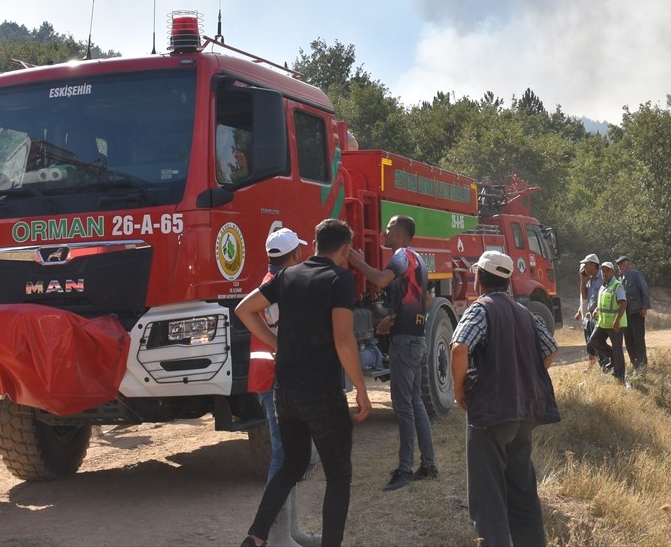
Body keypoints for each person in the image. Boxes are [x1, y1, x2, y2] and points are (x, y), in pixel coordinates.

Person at [237, 219, 371, 547]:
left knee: (291, 466)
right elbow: (343, 341)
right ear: (345, 250)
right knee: (338, 476)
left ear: (312, 244)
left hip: (286, 392)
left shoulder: (286, 276)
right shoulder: (340, 279)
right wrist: (363, 391)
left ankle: (255, 537)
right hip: (321, 393)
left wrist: (276, 343)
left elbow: (244, 309)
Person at [451, 250, 561, 547]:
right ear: (508, 280)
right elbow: (550, 349)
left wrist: (460, 390)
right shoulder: (525, 312)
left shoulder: (480, 308)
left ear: (479, 278)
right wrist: (523, 375)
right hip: (524, 414)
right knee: (522, 491)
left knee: (489, 499)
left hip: (491, 414)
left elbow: (459, 348)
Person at [348, 215, 438, 491]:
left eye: (387, 229)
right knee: (415, 402)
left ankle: (405, 469)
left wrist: (357, 262)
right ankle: (428, 464)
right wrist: (395, 318)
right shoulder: (419, 259)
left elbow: (381, 279)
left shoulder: (400, 255)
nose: (383, 232)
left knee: (403, 406)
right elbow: (423, 299)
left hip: (405, 343)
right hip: (416, 338)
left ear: (399, 234)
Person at [244, 227, 313, 547]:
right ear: (295, 255)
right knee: (286, 456)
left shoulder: (270, 285)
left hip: (271, 378)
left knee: (292, 454)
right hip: (275, 380)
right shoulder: (277, 288)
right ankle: (277, 536)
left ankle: (291, 531)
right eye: (300, 252)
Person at [588, 261, 628, 384]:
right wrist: (596, 310)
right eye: (603, 271)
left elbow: (623, 303)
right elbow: (602, 304)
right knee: (594, 341)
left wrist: (616, 321)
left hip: (615, 325)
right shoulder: (602, 286)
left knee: (617, 349)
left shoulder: (617, 286)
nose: (604, 273)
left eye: (607, 271)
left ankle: (619, 375)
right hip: (602, 323)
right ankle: (614, 359)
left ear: (612, 271)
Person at [616, 256, 651, 371]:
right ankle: (634, 363)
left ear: (627, 264)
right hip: (625, 314)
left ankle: (642, 364)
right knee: (628, 339)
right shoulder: (620, 279)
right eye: (618, 265)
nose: (619, 267)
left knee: (638, 339)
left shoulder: (635, 275)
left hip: (636, 312)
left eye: (621, 264)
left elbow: (645, 290)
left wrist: (644, 307)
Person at [574, 254, 603, 365]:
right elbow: (585, 297)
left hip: (599, 315)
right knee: (590, 341)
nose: (584, 267)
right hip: (590, 316)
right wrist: (583, 281)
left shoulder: (602, 278)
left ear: (593, 264)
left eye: (586, 264)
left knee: (596, 341)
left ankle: (604, 364)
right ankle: (597, 364)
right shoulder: (590, 280)